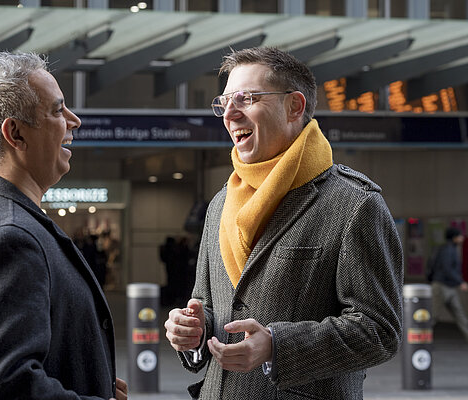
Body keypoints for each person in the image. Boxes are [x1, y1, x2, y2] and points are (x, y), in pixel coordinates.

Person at [164, 47, 403, 399]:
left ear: (294, 106)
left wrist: (278, 346)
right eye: (225, 101)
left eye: (246, 98)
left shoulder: (355, 204)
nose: (229, 113)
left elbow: (380, 331)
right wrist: (195, 333)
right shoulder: (219, 204)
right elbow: (210, 307)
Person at [0, 52, 127, 400]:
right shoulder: (9, 238)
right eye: (57, 111)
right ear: (15, 133)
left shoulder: (2, 217)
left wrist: (92, 378)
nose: (74, 121)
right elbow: (6, 386)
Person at [429, 227, 468, 342]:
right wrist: (460, 282)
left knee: (459, 314)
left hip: (450, 287)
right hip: (441, 286)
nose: (462, 238)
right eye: (460, 236)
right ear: (454, 237)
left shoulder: (452, 249)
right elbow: (447, 269)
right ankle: (419, 338)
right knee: (433, 315)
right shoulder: (447, 250)